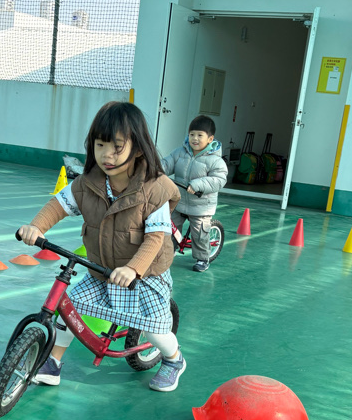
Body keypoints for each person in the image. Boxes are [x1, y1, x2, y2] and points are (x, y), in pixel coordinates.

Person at [17, 101, 186, 393]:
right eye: (100, 145)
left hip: (144, 275)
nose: (107, 155)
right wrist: (36, 226)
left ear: (138, 148)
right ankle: (52, 363)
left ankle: (174, 360)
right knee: (69, 311)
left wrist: (133, 268)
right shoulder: (88, 183)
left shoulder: (154, 188)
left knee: (155, 329)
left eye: (117, 147)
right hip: (101, 270)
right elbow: (59, 205)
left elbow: (155, 239)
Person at [162, 115, 228, 272]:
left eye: (200, 135)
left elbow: (218, 180)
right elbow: (166, 163)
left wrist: (197, 185)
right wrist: (156, 170)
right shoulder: (180, 152)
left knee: (199, 233)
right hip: (179, 201)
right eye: (192, 134)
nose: (195, 139)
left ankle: (203, 258)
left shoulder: (215, 160)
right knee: (169, 227)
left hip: (201, 205)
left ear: (210, 139)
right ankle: (168, 251)